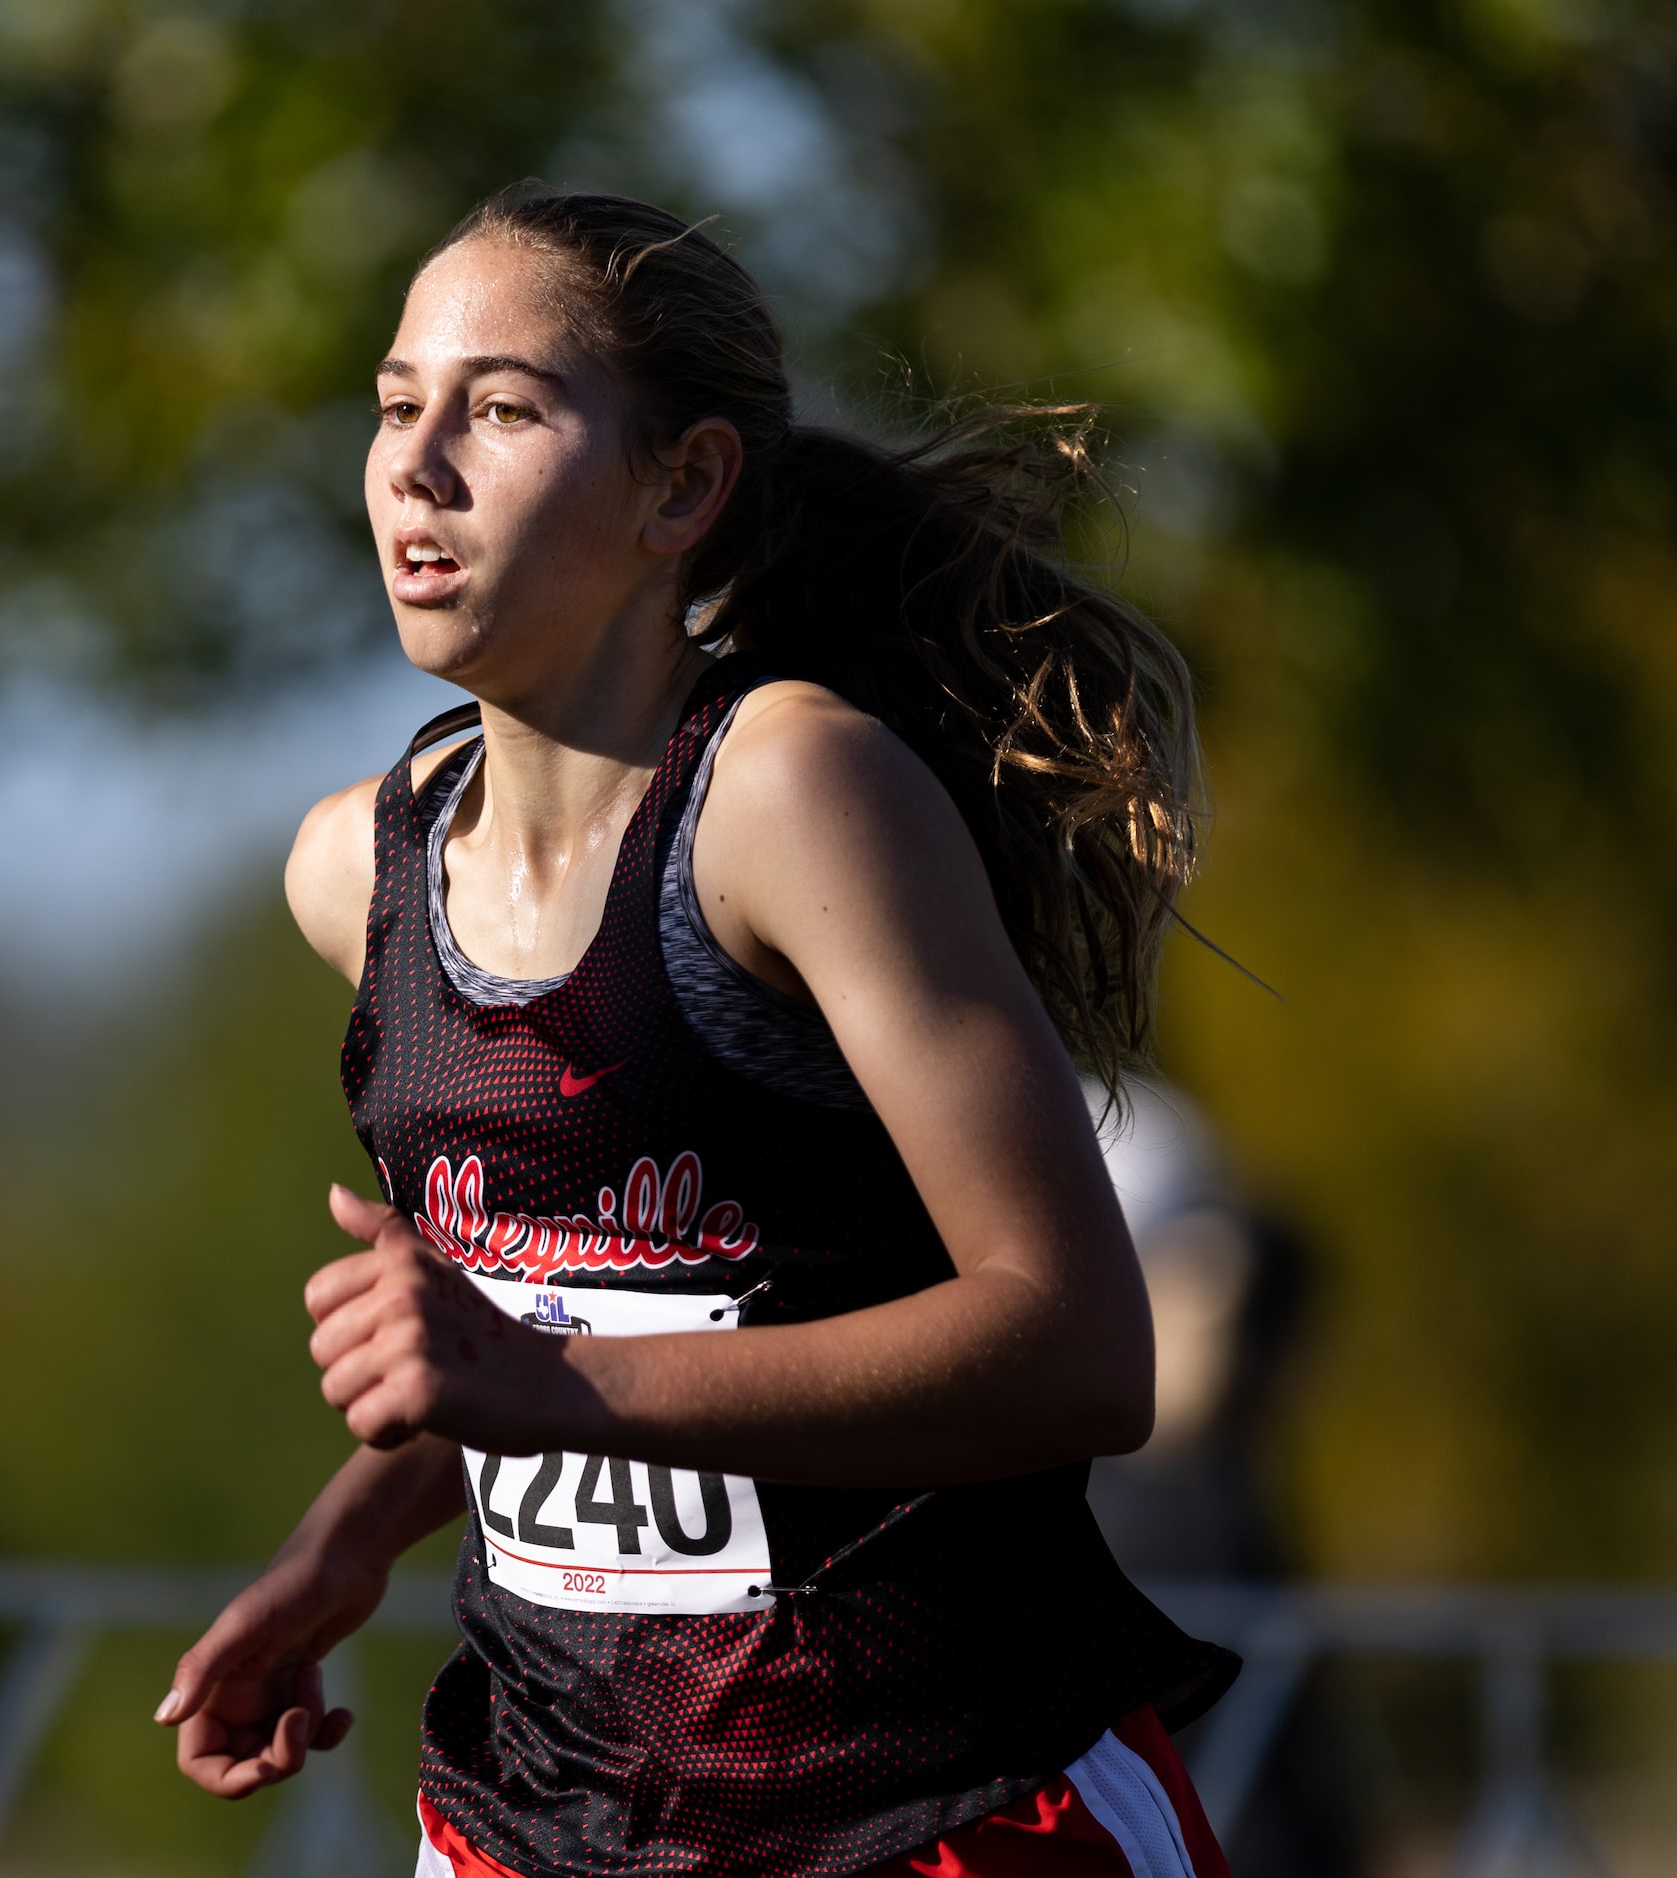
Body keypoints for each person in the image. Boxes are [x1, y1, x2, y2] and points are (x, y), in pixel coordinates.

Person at [156, 186, 1239, 1877]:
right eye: (392, 406)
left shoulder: (792, 795)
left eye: (499, 408)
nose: (415, 465)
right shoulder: (348, 877)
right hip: (540, 1819)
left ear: (684, 483)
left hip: (931, 1809)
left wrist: (552, 1381)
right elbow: (556, 1331)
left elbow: (1081, 1348)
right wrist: (345, 1542)